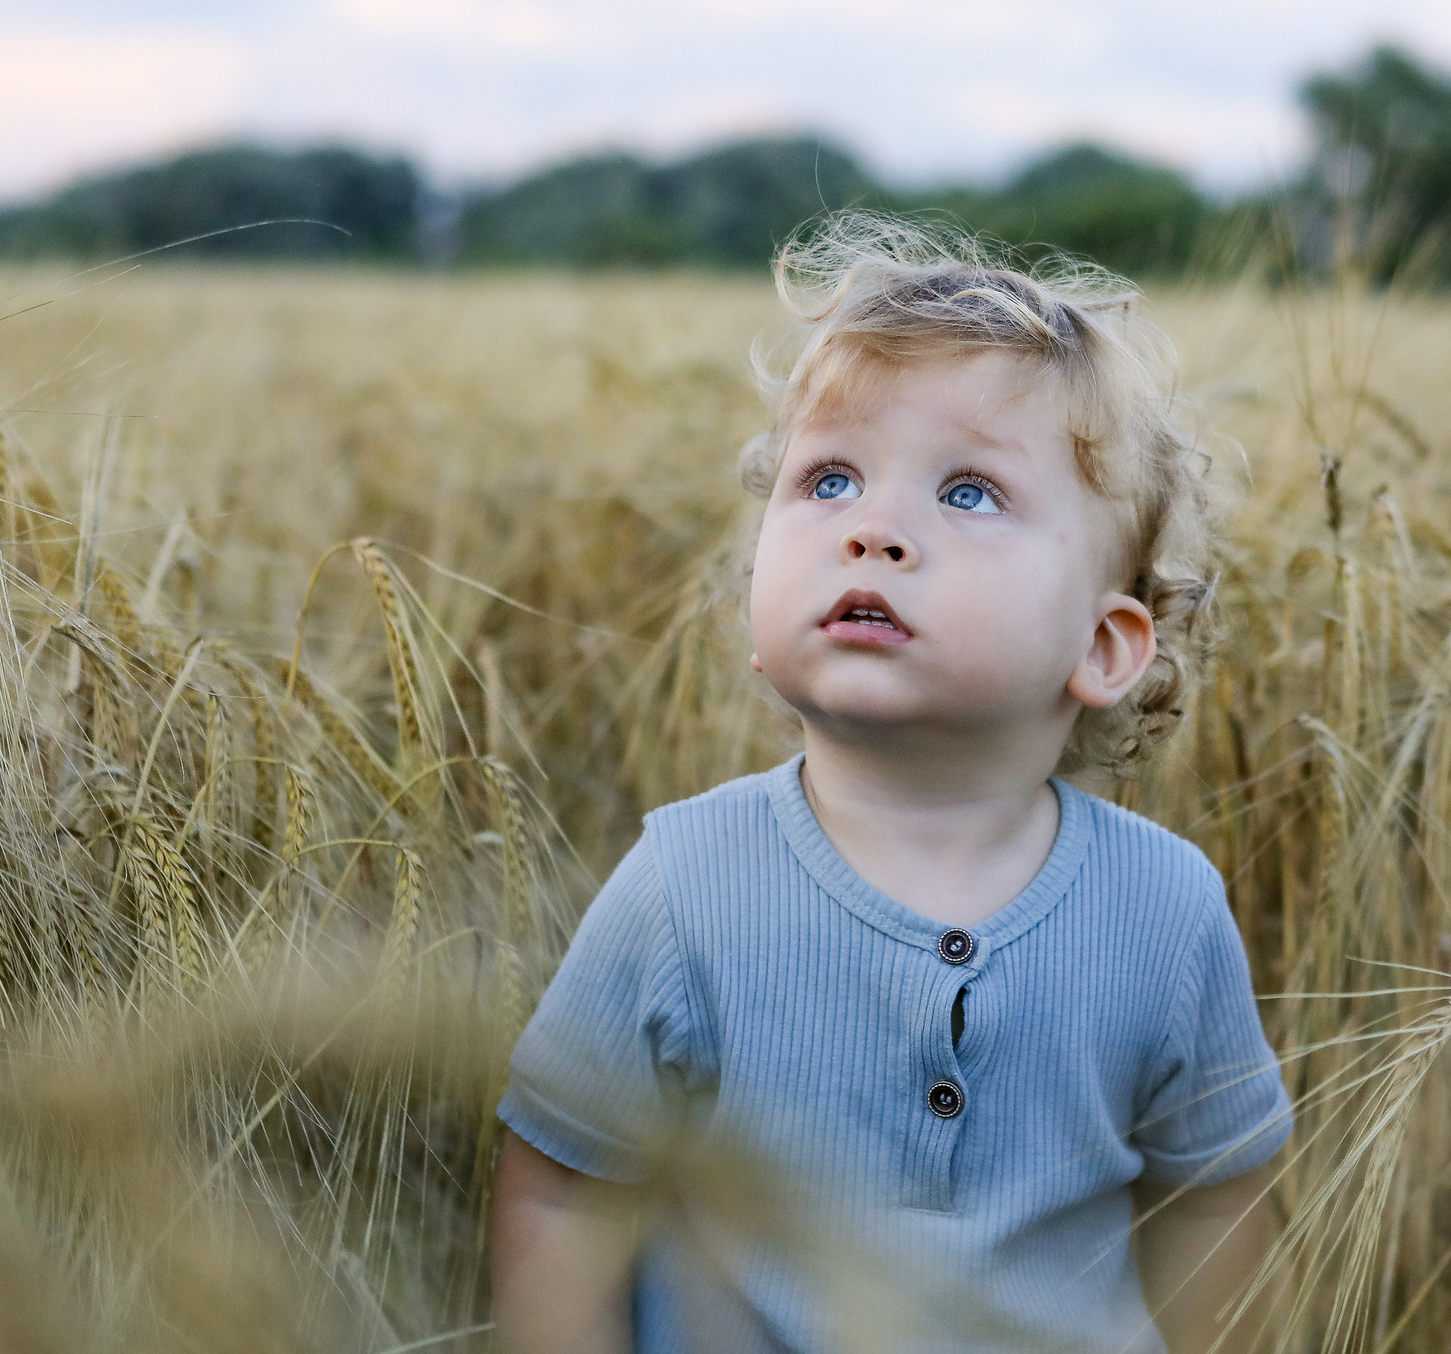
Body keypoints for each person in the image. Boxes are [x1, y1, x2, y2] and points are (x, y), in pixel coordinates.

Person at [491, 216, 1292, 1353]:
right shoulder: (685, 884)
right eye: (828, 479)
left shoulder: (1164, 911)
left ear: (1107, 647)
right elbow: (564, 1190)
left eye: (967, 493)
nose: (873, 529)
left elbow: (1212, 1196)